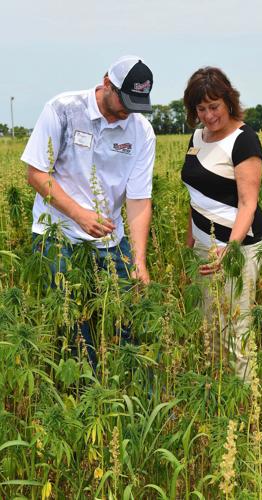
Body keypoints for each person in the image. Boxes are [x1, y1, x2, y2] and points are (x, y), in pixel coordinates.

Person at [21, 55, 156, 367]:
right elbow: (37, 174)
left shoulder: (141, 131)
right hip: (58, 236)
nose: (128, 111)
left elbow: (138, 199)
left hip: (111, 239)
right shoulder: (64, 109)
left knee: (125, 318)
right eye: (125, 100)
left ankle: (127, 395)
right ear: (106, 83)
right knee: (72, 323)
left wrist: (138, 261)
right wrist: (79, 214)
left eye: (137, 103)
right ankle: (81, 392)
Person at [181, 67, 262, 382]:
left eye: (214, 106)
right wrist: (190, 247)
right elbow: (195, 196)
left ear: (228, 102)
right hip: (203, 249)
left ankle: (248, 408)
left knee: (236, 328)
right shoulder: (196, 138)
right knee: (208, 326)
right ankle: (216, 400)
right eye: (200, 109)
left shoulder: (244, 140)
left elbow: (248, 203)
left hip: (237, 249)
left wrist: (228, 249)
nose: (208, 115)